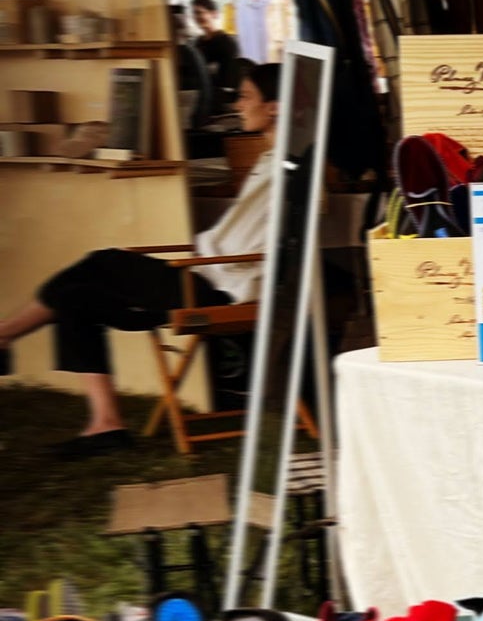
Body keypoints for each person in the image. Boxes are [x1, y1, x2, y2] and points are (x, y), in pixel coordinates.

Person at [0, 60, 281, 455]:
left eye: (247, 96)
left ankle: (5, 334)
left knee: (103, 262)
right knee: (74, 297)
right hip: (207, 275)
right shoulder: (271, 160)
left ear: (275, 107)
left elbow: (257, 252)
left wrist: (205, 255)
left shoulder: (287, 170)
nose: (238, 104)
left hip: (220, 290)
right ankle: (106, 425)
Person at [188, 0, 240, 105]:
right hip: (201, 95)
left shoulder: (226, 42)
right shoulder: (198, 42)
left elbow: (229, 78)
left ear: (214, 14)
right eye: (194, 13)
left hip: (218, 98)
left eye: (200, 12)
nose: (197, 17)